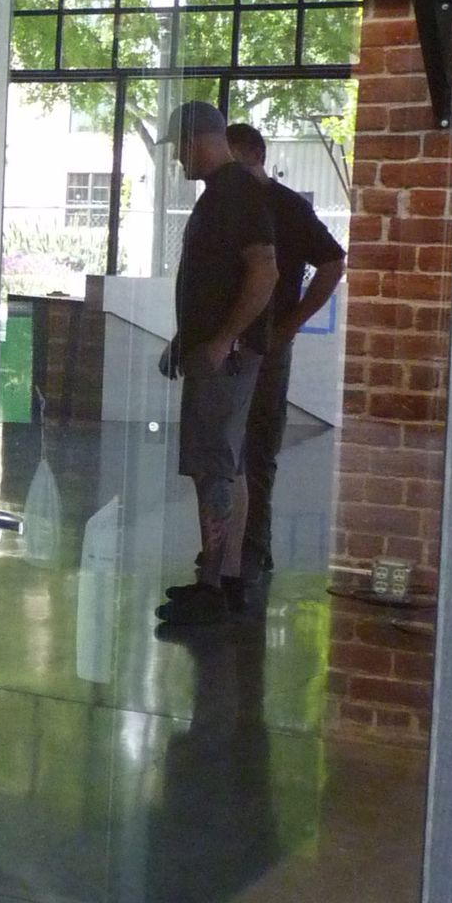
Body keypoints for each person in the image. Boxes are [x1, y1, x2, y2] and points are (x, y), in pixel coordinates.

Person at [156, 101, 278, 628]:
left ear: (198, 140)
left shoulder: (237, 194)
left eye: (179, 148)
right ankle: (222, 579)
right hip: (213, 350)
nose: (177, 160)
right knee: (223, 465)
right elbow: (216, 282)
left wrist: (222, 340)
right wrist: (187, 337)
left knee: (212, 467)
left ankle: (216, 585)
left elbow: (264, 273)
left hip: (224, 359)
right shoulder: (221, 196)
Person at [224, 121, 347, 578]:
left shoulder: (286, 207)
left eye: (233, 158)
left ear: (255, 155)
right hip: (232, 341)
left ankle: (253, 545)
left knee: (256, 447)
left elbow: (333, 262)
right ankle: (230, 548)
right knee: (226, 447)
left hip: (265, 343)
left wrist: (289, 324)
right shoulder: (225, 203)